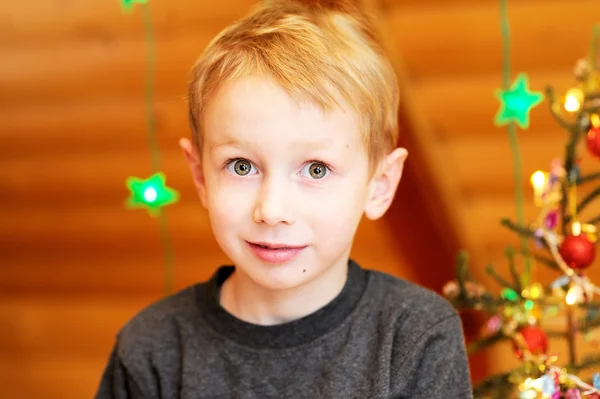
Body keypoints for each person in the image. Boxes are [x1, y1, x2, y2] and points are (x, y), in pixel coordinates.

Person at [95, 0, 473, 397]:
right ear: (200, 175)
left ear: (379, 184)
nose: (272, 210)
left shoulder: (415, 336)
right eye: (242, 166)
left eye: (315, 169)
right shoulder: (150, 350)